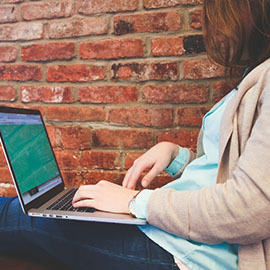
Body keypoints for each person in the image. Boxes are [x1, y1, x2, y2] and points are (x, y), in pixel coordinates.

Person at [0, 0, 270, 269]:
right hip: (177, 235)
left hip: (190, 255)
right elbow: (224, 172)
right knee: (25, 210)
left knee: (18, 216)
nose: (211, 22)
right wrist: (175, 155)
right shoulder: (256, 74)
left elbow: (250, 208)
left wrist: (135, 202)